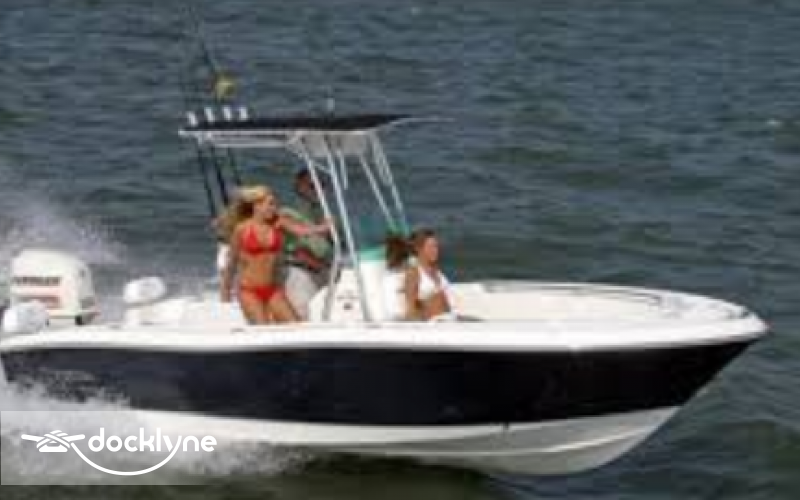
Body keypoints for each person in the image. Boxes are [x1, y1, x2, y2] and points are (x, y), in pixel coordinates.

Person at [218, 185, 332, 324]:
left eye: (275, 204)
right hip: (249, 291)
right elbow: (231, 263)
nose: (274, 208)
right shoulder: (242, 229)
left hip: (272, 289)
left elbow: (301, 230)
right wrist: (225, 291)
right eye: (270, 204)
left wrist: (323, 227)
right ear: (257, 206)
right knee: (264, 329)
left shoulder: (277, 224)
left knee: (295, 326)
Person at [280, 170, 333, 319]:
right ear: (298, 186)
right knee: (304, 316)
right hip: (301, 273)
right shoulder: (287, 210)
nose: (319, 190)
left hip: (322, 270)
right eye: (313, 186)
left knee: (325, 315)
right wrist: (323, 268)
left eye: (322, 185)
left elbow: (327, 242)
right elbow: (296, 247)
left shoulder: (320, 209)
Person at [385, 229, 453, 321]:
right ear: (419, 249)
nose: (435, 250)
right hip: (434, 323)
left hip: (450, 318)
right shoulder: (413, 273)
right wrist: (429, 312)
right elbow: (411, 312)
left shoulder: (436, 270)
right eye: (431, 247)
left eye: (436, 246)